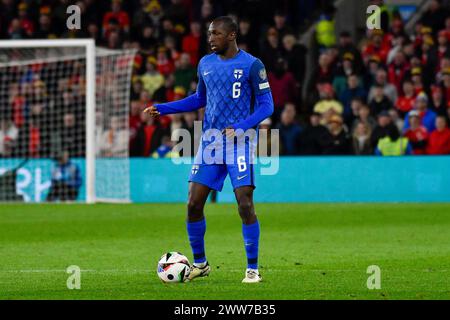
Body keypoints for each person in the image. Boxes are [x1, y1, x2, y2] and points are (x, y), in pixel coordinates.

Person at [143, 16, 274, 283]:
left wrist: (241, 127)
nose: (210, 38)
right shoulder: (205, 64)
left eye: (216, 33)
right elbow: (200, 98)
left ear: (232, 35)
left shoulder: (252, 65)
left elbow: (267, 106)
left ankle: (252, 269)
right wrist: (164, 108)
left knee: (245, 202)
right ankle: (200, 264)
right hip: (210, 143)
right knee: (193, 203)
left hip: (238, 143)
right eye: (209, 34)